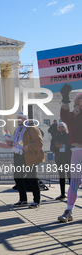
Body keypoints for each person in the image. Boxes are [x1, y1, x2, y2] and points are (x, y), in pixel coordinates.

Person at [58, 84, 82, 222]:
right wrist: (65, 98)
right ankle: (69, 211)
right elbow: (64, 117)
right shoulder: (73, 115)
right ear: (77, 102)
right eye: (81, 99)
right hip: (78, 151)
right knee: (74, 182)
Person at [12, 111, 44, 209]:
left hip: (30, 157)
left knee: (32, 179)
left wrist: (28, 147)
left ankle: (36, 201)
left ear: (25, 119)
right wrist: (9, 142)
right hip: (19, 157)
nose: (18, 120)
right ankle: (23, 199)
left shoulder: (33, 129)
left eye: (20, 118)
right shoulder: (17, 130)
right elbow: (16, 143)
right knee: (18, 178)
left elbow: (39, 143)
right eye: (18, 118)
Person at [50, 122, 71, 201]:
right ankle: (62, 194)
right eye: (59, 127)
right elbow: (51, 149)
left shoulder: (68, 136)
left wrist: (66, 145)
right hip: (59, 159)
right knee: (61, 176)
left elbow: (72, 146)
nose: (60, 128)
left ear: (65, 128)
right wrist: (56, 147)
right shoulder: (55, 137)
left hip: (68, 158)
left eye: (62, 127)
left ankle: (71, 194)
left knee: (70, 176)